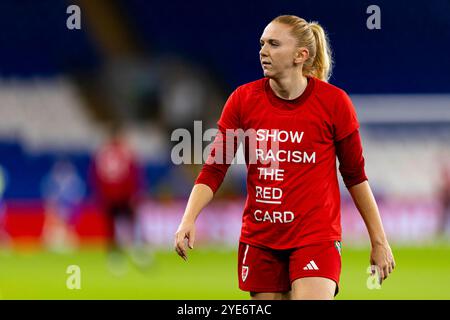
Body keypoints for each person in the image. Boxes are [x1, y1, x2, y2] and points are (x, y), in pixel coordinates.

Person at [174, 15, 395, 300]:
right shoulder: (243, 100)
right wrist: (188, 218)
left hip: (315, 237)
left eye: (274, 44)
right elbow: (215, 168)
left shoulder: (334, 103)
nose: (263, 51)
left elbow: (355, 176)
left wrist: (379, 241)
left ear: (300, 55)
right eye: (262, 44)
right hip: (262, 239)